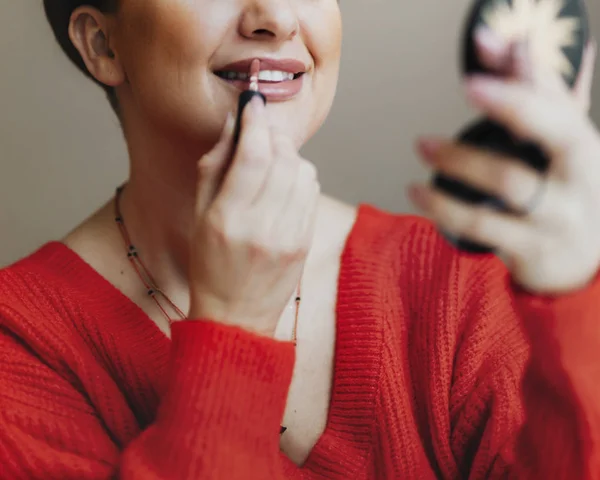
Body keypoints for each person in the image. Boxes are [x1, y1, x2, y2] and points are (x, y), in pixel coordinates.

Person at [1, 0, 600, 478]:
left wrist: (572, 304)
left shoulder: (455, 283)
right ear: (103, 44)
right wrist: (233, 330)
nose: (279, 17)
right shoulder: (21, 347)